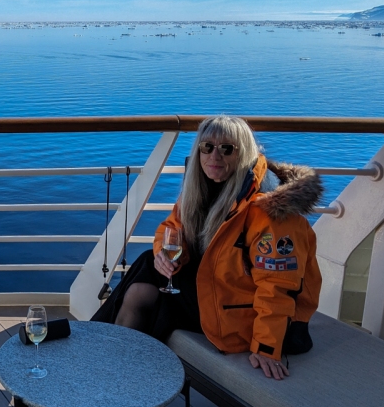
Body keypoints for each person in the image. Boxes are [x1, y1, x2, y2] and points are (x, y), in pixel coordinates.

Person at [92, 115, 323, 385]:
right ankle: (116, 371)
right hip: (220, 293)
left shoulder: (269, 211)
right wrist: (165, 258)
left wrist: (267, 348)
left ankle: (104, 363)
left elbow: (278, 287)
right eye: (207, 147)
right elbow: (171, 229)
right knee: (146, 275)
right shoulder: (202, 189)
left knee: (148, 295)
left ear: (244, 154)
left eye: (227, 148)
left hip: (246, 316)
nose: (215, 155)